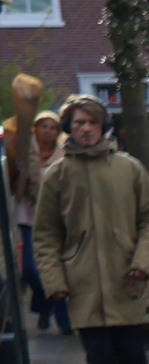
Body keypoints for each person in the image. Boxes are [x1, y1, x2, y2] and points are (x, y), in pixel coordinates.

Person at [32, 94, 149, 364]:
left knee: (133, 355)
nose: (85, 129)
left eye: (91, 122)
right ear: (68, 130)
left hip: (128, 280)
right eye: (77, 123)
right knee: (99, 358)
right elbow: (45, 234)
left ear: (102, 126)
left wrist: (142, 262)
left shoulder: (129, 168)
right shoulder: (57, 175)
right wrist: (55, 281)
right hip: (83, 284)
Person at [7, 108, 66, 335]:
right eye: (44, 126)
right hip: (28, 215)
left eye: (53, 128)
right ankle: (44, 303)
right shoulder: (23, 152)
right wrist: (20, 170)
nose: (48, 131)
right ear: (36, 128)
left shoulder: (63, 155)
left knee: (55, 265)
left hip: (53, 217)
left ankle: (57, 316)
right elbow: (15, 187)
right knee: (31, 269)